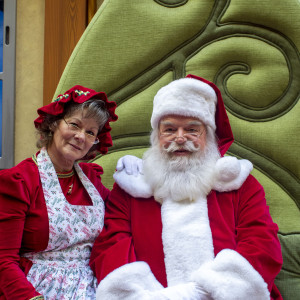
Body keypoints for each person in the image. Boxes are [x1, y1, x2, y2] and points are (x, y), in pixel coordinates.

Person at [90, 75, 283, 300]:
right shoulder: (131, 187)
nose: (180, 138)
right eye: (169, 130)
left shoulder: (240, 185)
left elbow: (261, 244)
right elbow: (111, 247)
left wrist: (201, 293)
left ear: (209, 136)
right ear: (156, 136)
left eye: (192, 129)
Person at [0, 85, 141, 300]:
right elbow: (3, 260)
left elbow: (122, 214)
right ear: (54, 123)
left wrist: (138, 177)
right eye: (75, 125)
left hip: (94, 287)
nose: (80, 136)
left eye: (91, 132)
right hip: (37, 291)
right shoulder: (20, 181)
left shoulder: (91, 178)